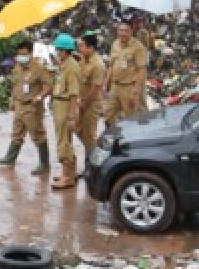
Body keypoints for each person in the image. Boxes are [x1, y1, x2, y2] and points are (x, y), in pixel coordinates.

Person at [0, 40, 52, 176]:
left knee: (38, 135)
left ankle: (44, 164)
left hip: (32, 108)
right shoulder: (18, 67)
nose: (21, 57)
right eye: (19, 54)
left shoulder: (39, 68)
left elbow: (48, 86)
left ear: (31, 53)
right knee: (17, 134)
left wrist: (39, 97)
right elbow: (15, 84)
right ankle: (10, 158)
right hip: (19, 105)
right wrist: (13, 100)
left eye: (24, 54)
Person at [49, 34, 81, 190]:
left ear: (64, 51)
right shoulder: (64, 65)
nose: (57, 52)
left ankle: (68, 177)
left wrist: (71, 115)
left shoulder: (72, 67)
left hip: (65, 105)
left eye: (58, 50)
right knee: (65, 140)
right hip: (59, 104)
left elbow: (74, 93)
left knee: (63, 142)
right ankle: (69, 173)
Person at [104, 21, 147, 125]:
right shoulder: (115, 44)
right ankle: (112, 139)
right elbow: (111, 65)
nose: (122, 33)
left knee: (131, 118)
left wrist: (136, 90)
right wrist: (105, 83)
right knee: (108, 116)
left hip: (129, 87)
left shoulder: (138, 47)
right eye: (120, 30)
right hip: (115, 86)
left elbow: (141, 70)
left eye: (126, 31)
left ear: (131, 32)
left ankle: (131, 140)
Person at [76, 33, 106, 162]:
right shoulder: (84, 58)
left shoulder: (98, 65)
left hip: (91, 104)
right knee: (77, 129)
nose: (79, 49)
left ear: (91, 48)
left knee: (89, 135)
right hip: (82, 102)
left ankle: (95, 162)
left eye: (81, 46)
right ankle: (93, 157)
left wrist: (83, 106)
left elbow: (95, 89)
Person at [130, 14, 155, 108]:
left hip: (141, 65)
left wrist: (149, 35)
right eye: (136, 22)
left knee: (141, 90)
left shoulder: (144, 33)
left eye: (140, 22)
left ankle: (143, 111)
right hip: (131, 66)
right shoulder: (130, 33)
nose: (138, 24)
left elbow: (147, 47)